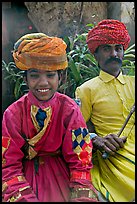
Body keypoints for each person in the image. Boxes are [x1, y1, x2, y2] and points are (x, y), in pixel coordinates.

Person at [2, 33, 99, 202]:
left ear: (60, 77)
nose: (43, 83)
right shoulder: (13, 113)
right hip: (24, 178)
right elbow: (8, 165)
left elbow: (81, 159)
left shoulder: (70, 110)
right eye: (34, 75)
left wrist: (80, 196)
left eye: (50, 75)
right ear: (25, 78)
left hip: (62, 178)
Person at [75, 19, 135, 202]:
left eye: (118, 48)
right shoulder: (86, 90)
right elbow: (76, 132)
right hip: (115, 158)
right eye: (107, 49)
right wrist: (96, 140)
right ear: (96, 55)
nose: (114, 53)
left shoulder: (134, 83)